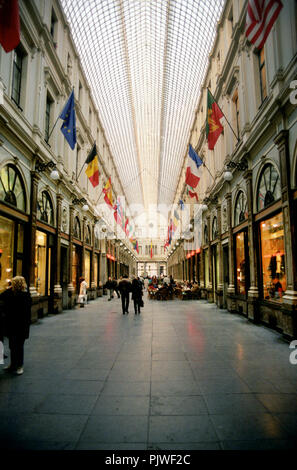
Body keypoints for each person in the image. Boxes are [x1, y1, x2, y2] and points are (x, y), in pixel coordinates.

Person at [0, 276, 31, 375]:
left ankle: (19, 366)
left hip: (21, 324)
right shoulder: (9, 293)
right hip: (11, 324)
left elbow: (26, 312)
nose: (11, 284)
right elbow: (1, 296)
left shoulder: (25, 295)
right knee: (12, 346)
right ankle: (13, 364)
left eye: (13, 283)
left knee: (19, 346)